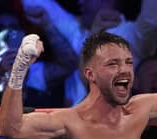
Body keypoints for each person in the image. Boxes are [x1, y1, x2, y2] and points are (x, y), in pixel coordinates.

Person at [0, 31, 157, 139]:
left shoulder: (139, 110)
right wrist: (20, 67)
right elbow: (11, 128)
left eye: (129, 62)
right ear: (90, 74)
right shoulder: (71, 122)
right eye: (112, 64)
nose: (125, 70)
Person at [21, 0, 157, 106]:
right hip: (68, 129)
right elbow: (37, 5)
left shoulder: (130, 35)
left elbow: (150, 22)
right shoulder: (75, 31)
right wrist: (95, 32)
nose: (80, 1)